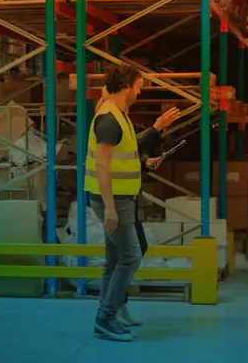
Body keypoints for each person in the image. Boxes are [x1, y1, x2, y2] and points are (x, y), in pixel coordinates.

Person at [84, 65, 177, 341]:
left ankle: (111, 309)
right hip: (114, 199)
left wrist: (146, 160)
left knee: (115, 260)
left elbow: (126, 151)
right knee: (131, 256)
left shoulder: (119, 116)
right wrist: (110, 207)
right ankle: (105, 317)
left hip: (124, 196)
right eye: (139, 85)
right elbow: (102, 165)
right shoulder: (110, 119)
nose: (140, 90)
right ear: (127, 85)